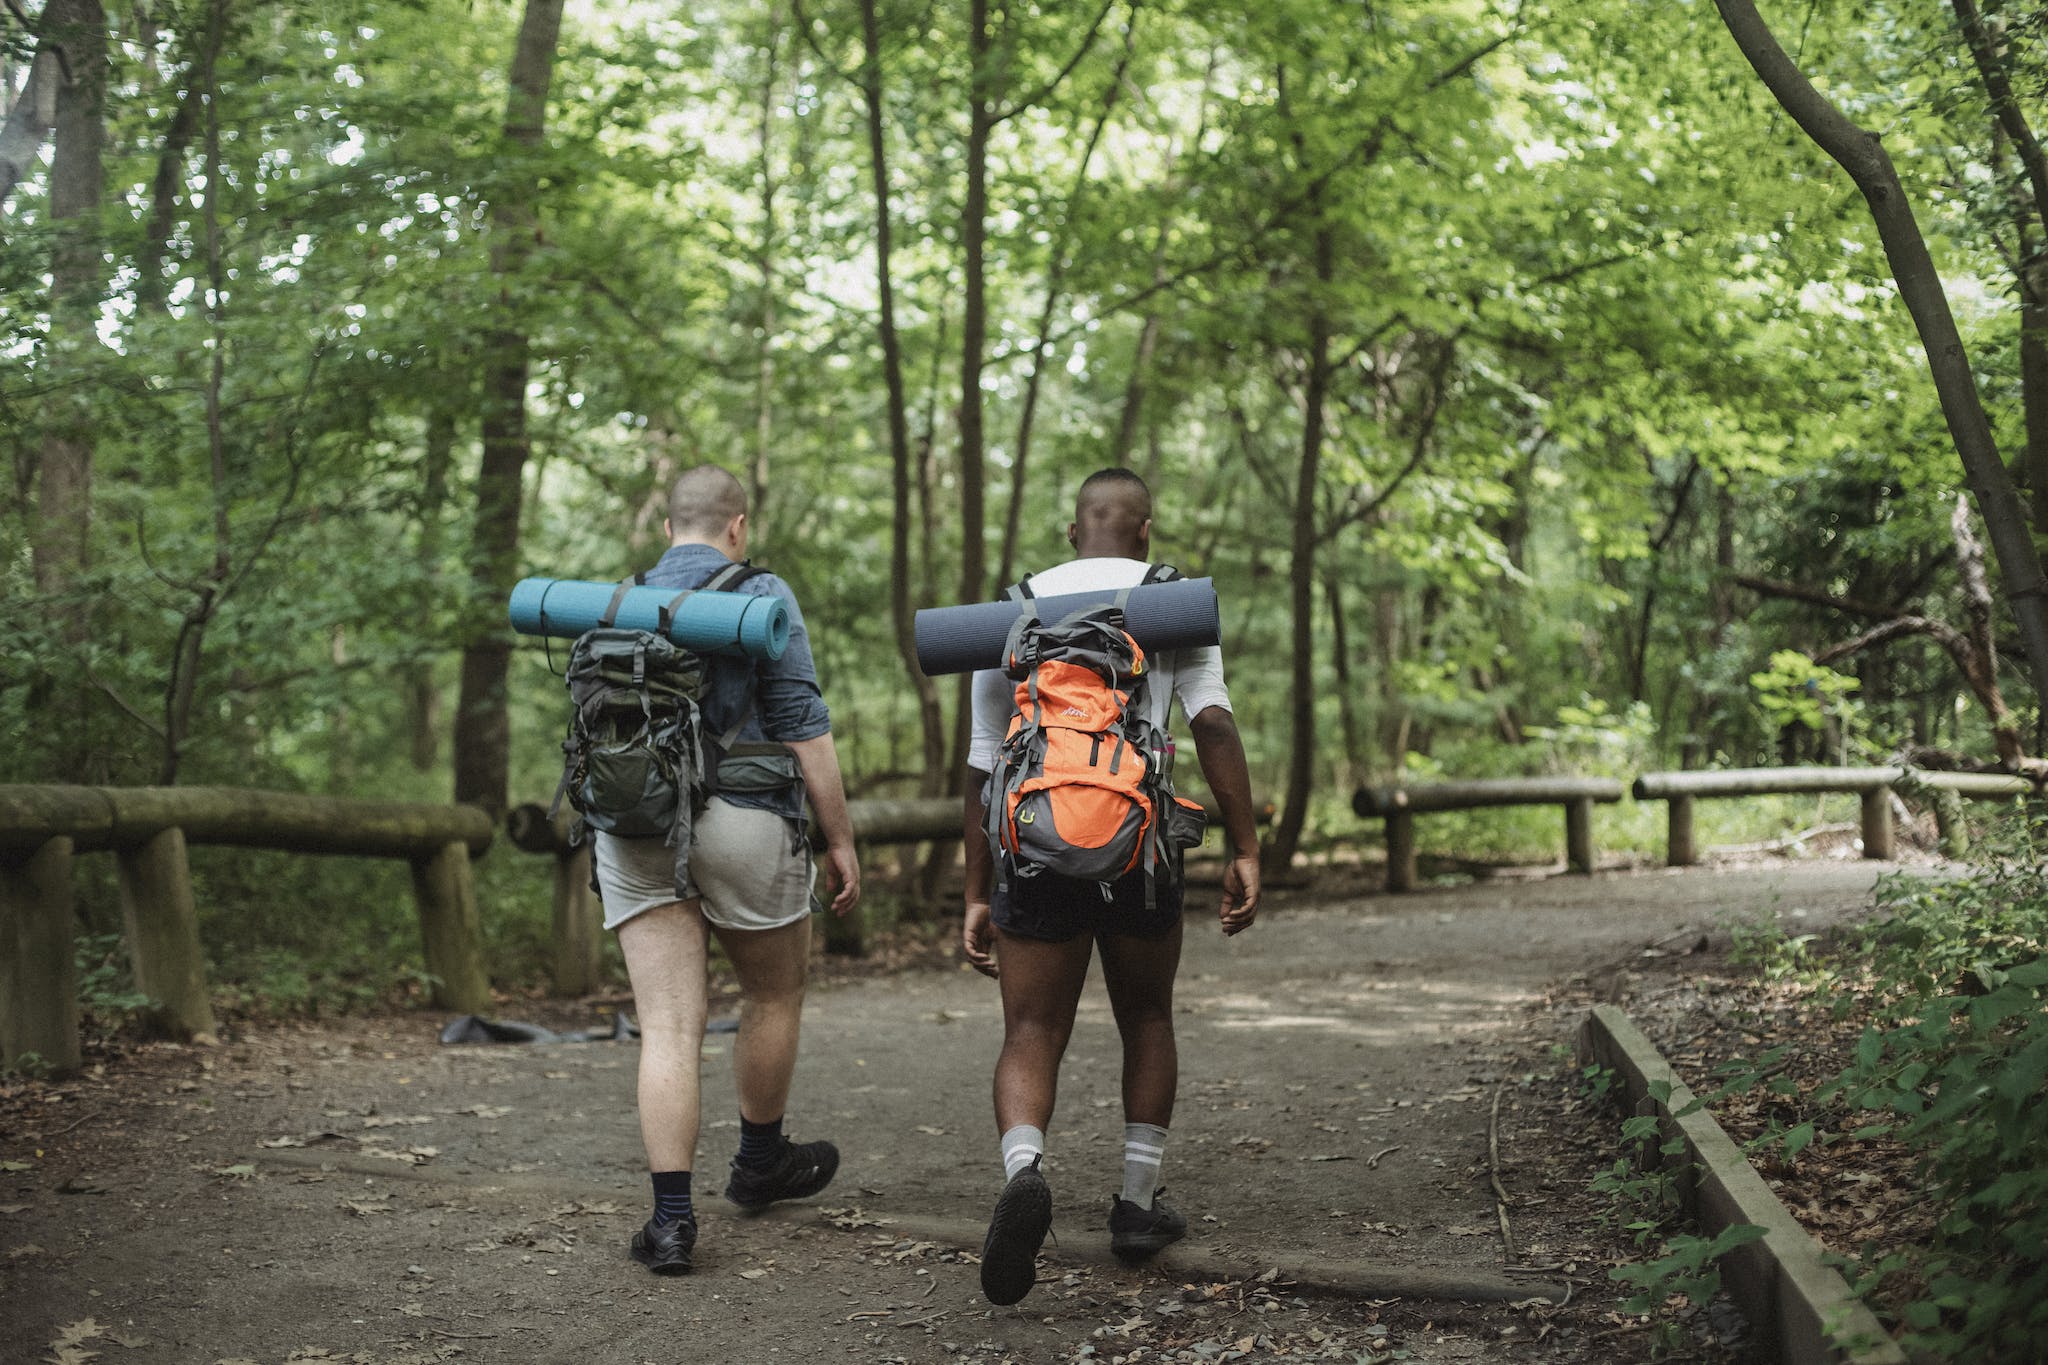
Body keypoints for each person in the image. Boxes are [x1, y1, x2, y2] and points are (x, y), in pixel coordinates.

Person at [961, 466, 1262, 1306]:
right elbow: (1211, 723)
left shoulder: (1012, 610)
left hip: (1032, 847)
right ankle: (1135, 1203)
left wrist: (974, 892)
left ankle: (1025, 1169)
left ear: (1073, 531)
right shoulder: (1174, 604)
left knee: (1030, 1027)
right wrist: (1245, 845)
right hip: (1141, 849)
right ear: (1145, 532)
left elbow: (986, 763)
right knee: (1147, 1016)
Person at [592, 464, 861, 1276]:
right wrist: (840, 837)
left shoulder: (619, 598)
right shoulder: (761, 590)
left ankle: (671, 1223)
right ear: (737, 526)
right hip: (744, 820)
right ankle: (758, 1162)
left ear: (668, 527)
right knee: (773, 991)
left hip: (635, 822)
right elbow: (802, 723)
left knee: (668, 1025)